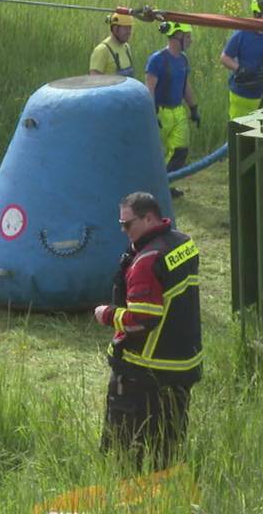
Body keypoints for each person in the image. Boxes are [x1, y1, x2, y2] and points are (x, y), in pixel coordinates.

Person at [93, 192, 203, 471]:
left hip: (143, 371)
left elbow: (141, 319)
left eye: (127, 224)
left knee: (127, 452)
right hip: (183, 364)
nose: (123, 231)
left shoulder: (146, 260)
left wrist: (107, 314)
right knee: (169, 445)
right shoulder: (184, 243)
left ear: (149, 218)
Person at [145, 22, 199, 198]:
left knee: (180, 150)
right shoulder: (157, 60)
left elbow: (185, 86)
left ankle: (167, 185)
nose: (190, 40)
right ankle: (154, 189)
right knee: (158, 153)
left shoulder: (183, 60)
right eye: (188, 36)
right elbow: (149, 87)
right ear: (177, 36)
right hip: (161, 112)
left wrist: (193, 108)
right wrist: (151, 112)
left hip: (178, 111)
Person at [220, 0, 263, 119]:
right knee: (238, 131)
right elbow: (225, 57)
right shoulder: (241, 33)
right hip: (241, 95)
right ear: (256, 15)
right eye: (260, 16)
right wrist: (240, 69)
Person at [90, 12, 136, 77]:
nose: (129, 32)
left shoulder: (126, 47)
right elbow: (94, 79)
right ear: (115, 28)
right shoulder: (102, 50)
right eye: (125, 28)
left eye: (130, 28)